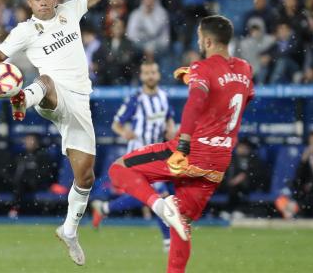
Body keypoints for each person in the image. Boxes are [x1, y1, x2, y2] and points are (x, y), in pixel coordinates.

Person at [0, 0, 115, 266]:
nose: (45, 2)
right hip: (50, 94)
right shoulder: (24, 31)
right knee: (45, 79)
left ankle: (69, 230)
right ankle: (22, 101)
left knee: (85, 176)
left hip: (79, 102)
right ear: (30, 3)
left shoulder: (70, 11)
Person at [108, 15, 255, 273]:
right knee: (182, 222)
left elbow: (196, 102)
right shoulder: (244, 69)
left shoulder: (202, 67)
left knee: (119, 169)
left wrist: (184, 140)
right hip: (219, 161)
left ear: (207, 40)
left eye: (199, 37)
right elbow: (241, 98)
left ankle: (160, 207)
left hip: (193, 150)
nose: (198, 41)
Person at [91, 61, 175, 252]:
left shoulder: (164, 97)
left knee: (148, 196)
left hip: (158, 154)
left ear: (158, 75)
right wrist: (125, 133)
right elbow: (116, 123)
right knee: (159, 195)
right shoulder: (135, 99)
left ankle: (104, 209)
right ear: (142, 76)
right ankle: (168, 241)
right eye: (147, 73)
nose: (151, 76)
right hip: (138, 155)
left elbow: (169, 118)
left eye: (153, 72)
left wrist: (170, 130)